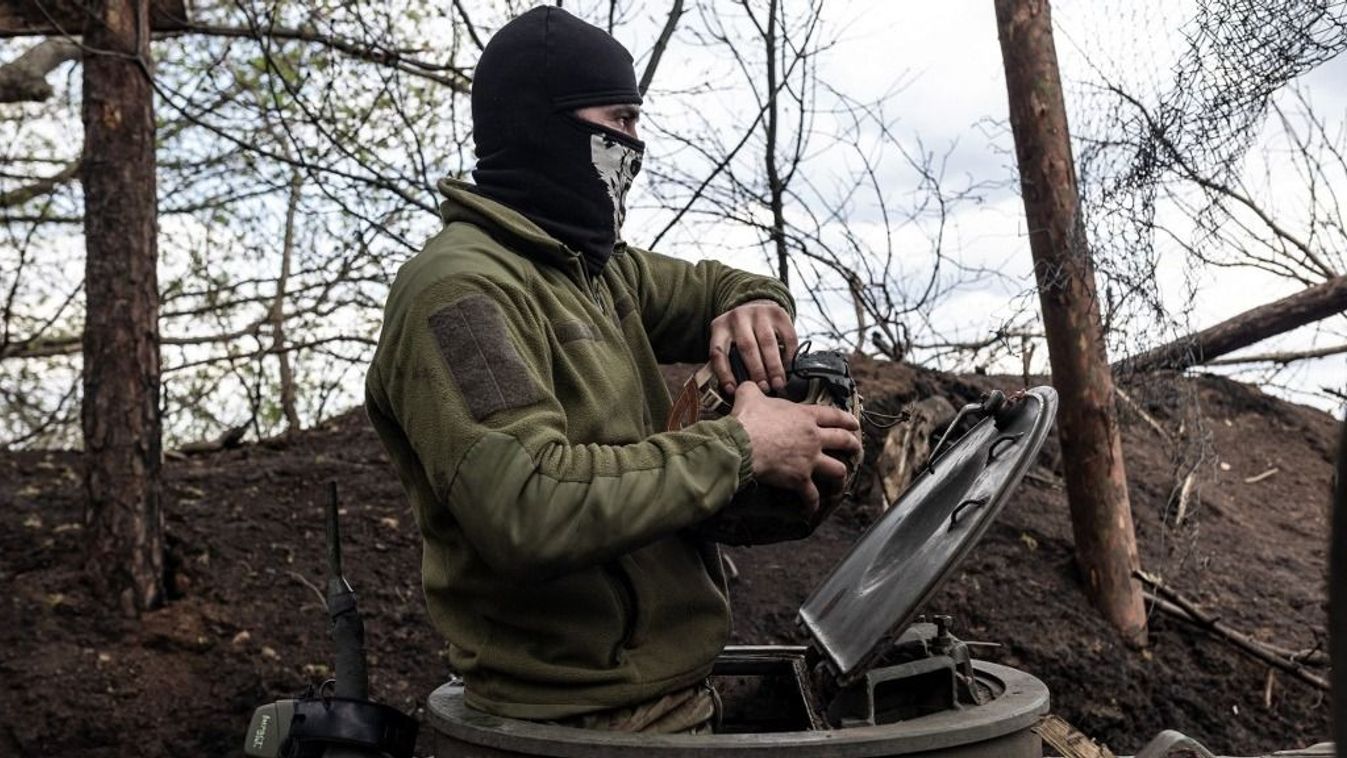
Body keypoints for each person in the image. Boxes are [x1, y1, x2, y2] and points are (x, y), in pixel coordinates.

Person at [364, 6, 860, 734]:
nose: (633, 145)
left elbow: (714, 286)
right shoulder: (461, 294)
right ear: (545, 122)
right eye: (619, 121)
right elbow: (526, 506)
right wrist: (739, 447)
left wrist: (756, 303)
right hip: (578, 725)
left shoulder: (593, 269)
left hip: (664, 698)